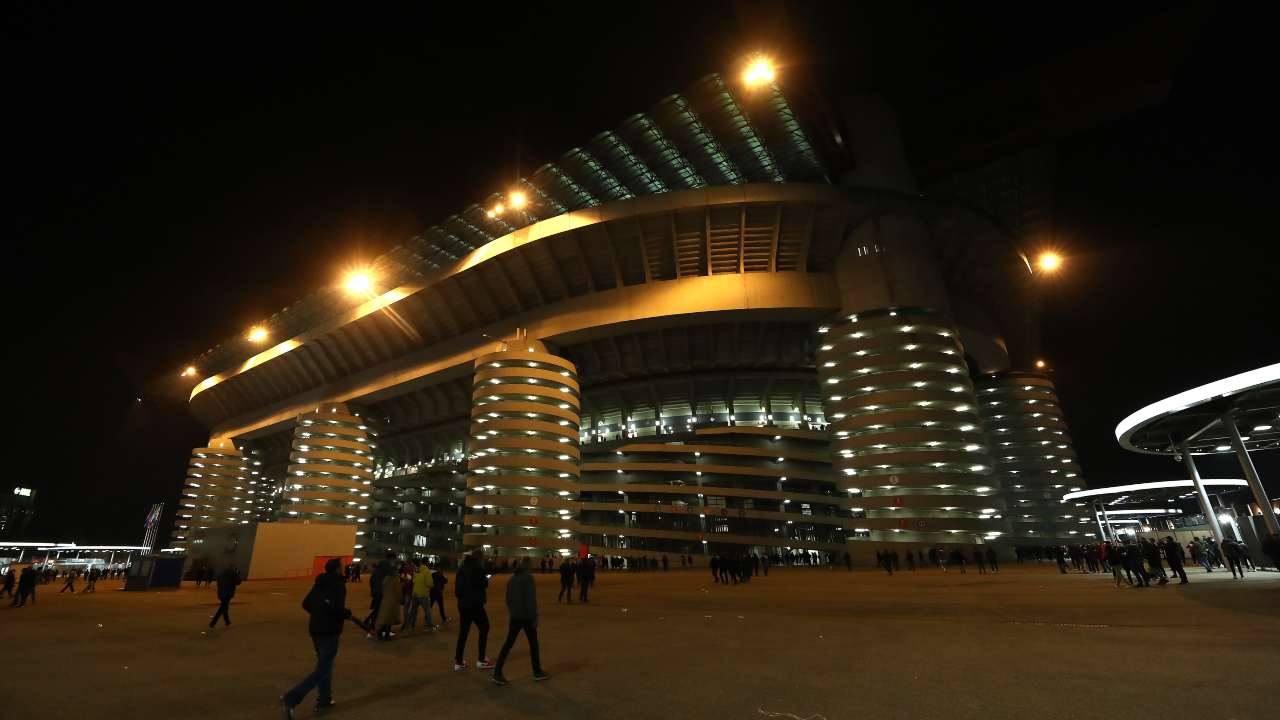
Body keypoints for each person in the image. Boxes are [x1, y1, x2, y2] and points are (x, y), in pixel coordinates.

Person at [280, 558, 354, 718]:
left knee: (324, 665)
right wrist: (346, 613)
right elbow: (336, 609)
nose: (343, 569)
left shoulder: (319, 583)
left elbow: (306, 603)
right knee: (323, 669)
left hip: (315, 630)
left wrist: (318, 615)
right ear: (336, 570)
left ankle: (325, 699)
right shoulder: (338, 585)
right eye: (341, 567)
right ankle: (291, 698)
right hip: (329, 631)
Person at [491, 558, 549, 685]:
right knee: (533, 644)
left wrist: (513, 612)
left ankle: (497, 671)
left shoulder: (512, 579)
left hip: (515, 616)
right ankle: (537, 671)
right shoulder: (528, 578)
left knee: (508, 644)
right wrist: (534, 616)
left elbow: (508, 599)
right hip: (527, 617)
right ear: (528, 565)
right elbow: (530, 600)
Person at [454, 549, 494, 671]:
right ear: (480, 558)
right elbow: (483, 584)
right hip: (475, 604)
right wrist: (487, 579)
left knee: (463, 632)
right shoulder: (478, 567)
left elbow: (458, 588)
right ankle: (481, 659)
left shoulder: (462, 567)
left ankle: (459, 661)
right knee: (484, 627)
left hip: (463, 604)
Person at [374, 562, 402, 640]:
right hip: (392, 602)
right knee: (389, 620)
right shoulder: (396, 579)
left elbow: (382, 588)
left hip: (385, 600)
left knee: (383, 619)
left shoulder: (386, 578)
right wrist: (400, 598)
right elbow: (398, 591)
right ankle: (386, 635)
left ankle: (379, 634)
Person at [406, 561, 433, 632]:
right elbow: (430, 584)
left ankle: (411, 625)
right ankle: (430, 626)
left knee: (413, 611)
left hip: (416, 594)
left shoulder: (416, 572)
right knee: (427, 611)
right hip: (422, 594)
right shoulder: (426, 572)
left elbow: (414, 581)